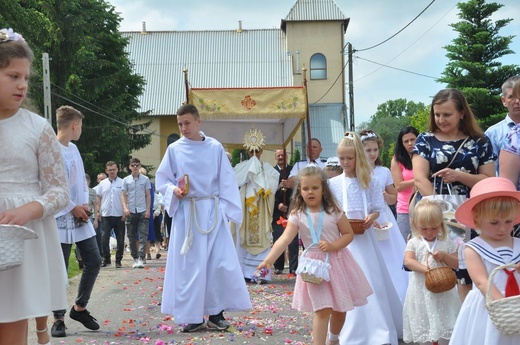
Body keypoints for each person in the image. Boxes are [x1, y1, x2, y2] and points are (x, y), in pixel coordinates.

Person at [155, 104, 251, 332]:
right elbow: (162, 180)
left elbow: (226, 180)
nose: (183, 128)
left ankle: (216, 314)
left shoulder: (214, 147)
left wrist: (228, 211)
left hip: (211, 211)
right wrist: (174, 191)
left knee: (216, 263)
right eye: (180, 124)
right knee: (190, 266)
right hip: (187, 213)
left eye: (187, 123)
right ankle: (193, 316)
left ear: (198, 122)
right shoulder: (175, 149)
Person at [0, 28, 69, 345]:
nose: (23, 85)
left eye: (25, 77)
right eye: (13, 75)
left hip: (20, 236)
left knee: (11, 319)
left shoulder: (37, 128)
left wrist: (31, 208)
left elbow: (60, 190)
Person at [257, 166, 372, 345]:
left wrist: (333, 245)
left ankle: (333, 339)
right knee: (322, 309)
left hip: (336, 262)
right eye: (305, 188)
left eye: (315, 188)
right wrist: (268, 260)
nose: (310, 192)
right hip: (313, 267)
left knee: (340, 310)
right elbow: (284, 239)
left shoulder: (334, 210)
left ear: (323, 190)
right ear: (300, 191)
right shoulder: (298, 214)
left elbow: (348, 234)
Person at [413, 88, 496, 302]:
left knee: (468, 269)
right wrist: (440, 209)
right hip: (435, 214)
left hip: (471, 213)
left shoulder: (479, 140)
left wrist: (459, 176)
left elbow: (488, 179)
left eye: (446, 114)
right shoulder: (425, 140)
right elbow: (420, 179)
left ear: (462, 113)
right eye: (437, 114)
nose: (440, 119)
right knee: (438, 267)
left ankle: (469, 322)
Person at [329, 131, 403, 345]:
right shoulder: (333, 184)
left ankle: (377, 328)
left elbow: (378, 208)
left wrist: (371, 217)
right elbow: (332, 210)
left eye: (349, 158)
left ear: (358, 157)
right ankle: (347, 329)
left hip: (364, 238)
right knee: (346, 283)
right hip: (345, 240)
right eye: (341, 158)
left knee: (371, 279)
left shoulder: (369, 180)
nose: (345, 162)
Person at [450, 177, 520, 344]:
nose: (503, 228)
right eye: (494, 223)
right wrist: (503, 307)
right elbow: (481, 281)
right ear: (476, 219)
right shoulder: (473, 248)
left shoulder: (518, 244)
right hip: (489, 305)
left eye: (509, 221)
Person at [51, 105, 102, 338]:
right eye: (80, 126)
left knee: (94, 260)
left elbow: (80, 182)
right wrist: (73, 207)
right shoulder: (51, 149)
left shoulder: (75, 148)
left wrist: (86, 206)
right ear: (74, 125)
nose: (81, 130)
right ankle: (58, 318)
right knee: (58, 268)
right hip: (60, 215)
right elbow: (52, 186)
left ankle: (79, 308)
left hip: (81, 216)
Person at [403, 198, 460, 344]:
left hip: (444, 290)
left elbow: (457, 263)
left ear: (441, 224)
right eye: (424, 228)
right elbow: (408, 261)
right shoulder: (414, 242)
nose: (429, 232)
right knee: (425, 319)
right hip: (421, 289)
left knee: (444, 318)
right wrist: (426, 270)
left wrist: (445, 256)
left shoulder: (446, 242)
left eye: (434, 228)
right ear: (416, 225)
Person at [360, 129, 408, 303]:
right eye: (368, 150)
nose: (372, 154)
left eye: (375, 150)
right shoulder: (358, 171)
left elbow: (394, 196)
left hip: (384, 218)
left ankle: (396, 290)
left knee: (389, 254)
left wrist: (389, 198)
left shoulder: (383, 171)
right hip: (365, 217)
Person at [233, 130, 279, 283]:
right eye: (251, 150)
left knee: (263, 240)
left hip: (262, 210)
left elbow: (272, 185)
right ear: (247, 150)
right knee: (244, 239)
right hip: (246, 210)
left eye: (257, 150)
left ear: (262, 151)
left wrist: (261, 177)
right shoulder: (241, 167)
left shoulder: (269, 169)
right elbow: (235, 183)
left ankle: (262, 274)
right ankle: (245, 273)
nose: (254, 153)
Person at [485, 76, 520, 174]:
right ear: (504, 101)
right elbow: (491, 170)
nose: (517, 101)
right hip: (506, 187)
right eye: (511, 96)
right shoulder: (493, 133)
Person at [271, 149, 298, 276]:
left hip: (292, 211)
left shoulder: (293, 171)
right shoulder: (271, 172)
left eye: (283, 155)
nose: (281, 157)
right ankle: (278, 266)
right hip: (277, 212)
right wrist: (278, 205)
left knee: (292, 240)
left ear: (287, 156)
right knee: (278, 239)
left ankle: (293, 268)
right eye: (278, 156)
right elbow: (269, 193)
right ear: (275, 157)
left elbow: (298, 189)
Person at [122, 157, 151, 269]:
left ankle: (141, 258)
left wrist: (148, 210)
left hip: (142, 209)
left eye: (137, 165)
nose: (135, 167)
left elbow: (148, 195)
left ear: (140, 167)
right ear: (130, 167)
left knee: (143, 235)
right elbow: (123, 195)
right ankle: (135, 257)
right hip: (130, 211)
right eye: (133, 165)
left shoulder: (145, 179)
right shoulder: (126, 180)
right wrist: (125, 208)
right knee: (131, 235)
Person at [390, 126, 419, 241]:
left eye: (413, 139)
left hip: (424, 207)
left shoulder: (425, 157)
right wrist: (419, 180)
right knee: (406, 244)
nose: (410, 143)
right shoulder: (397, 160)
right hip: (405, 209)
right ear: (401, 143)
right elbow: (399, 186)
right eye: (406, 141)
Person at [96, 161, 125, 268]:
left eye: (114, 169)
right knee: (104, 238)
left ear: (117, 169)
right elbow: (98, 198)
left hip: (119, 214)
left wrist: (125, 211)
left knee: (120, 239)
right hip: (106, 215)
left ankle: (118, 260)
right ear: (106, 171)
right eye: (110, 170)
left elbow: (126, 198)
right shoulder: (102, 184)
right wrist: (98, 211)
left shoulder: (122, 182)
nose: (112, 172)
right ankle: (106, 259)